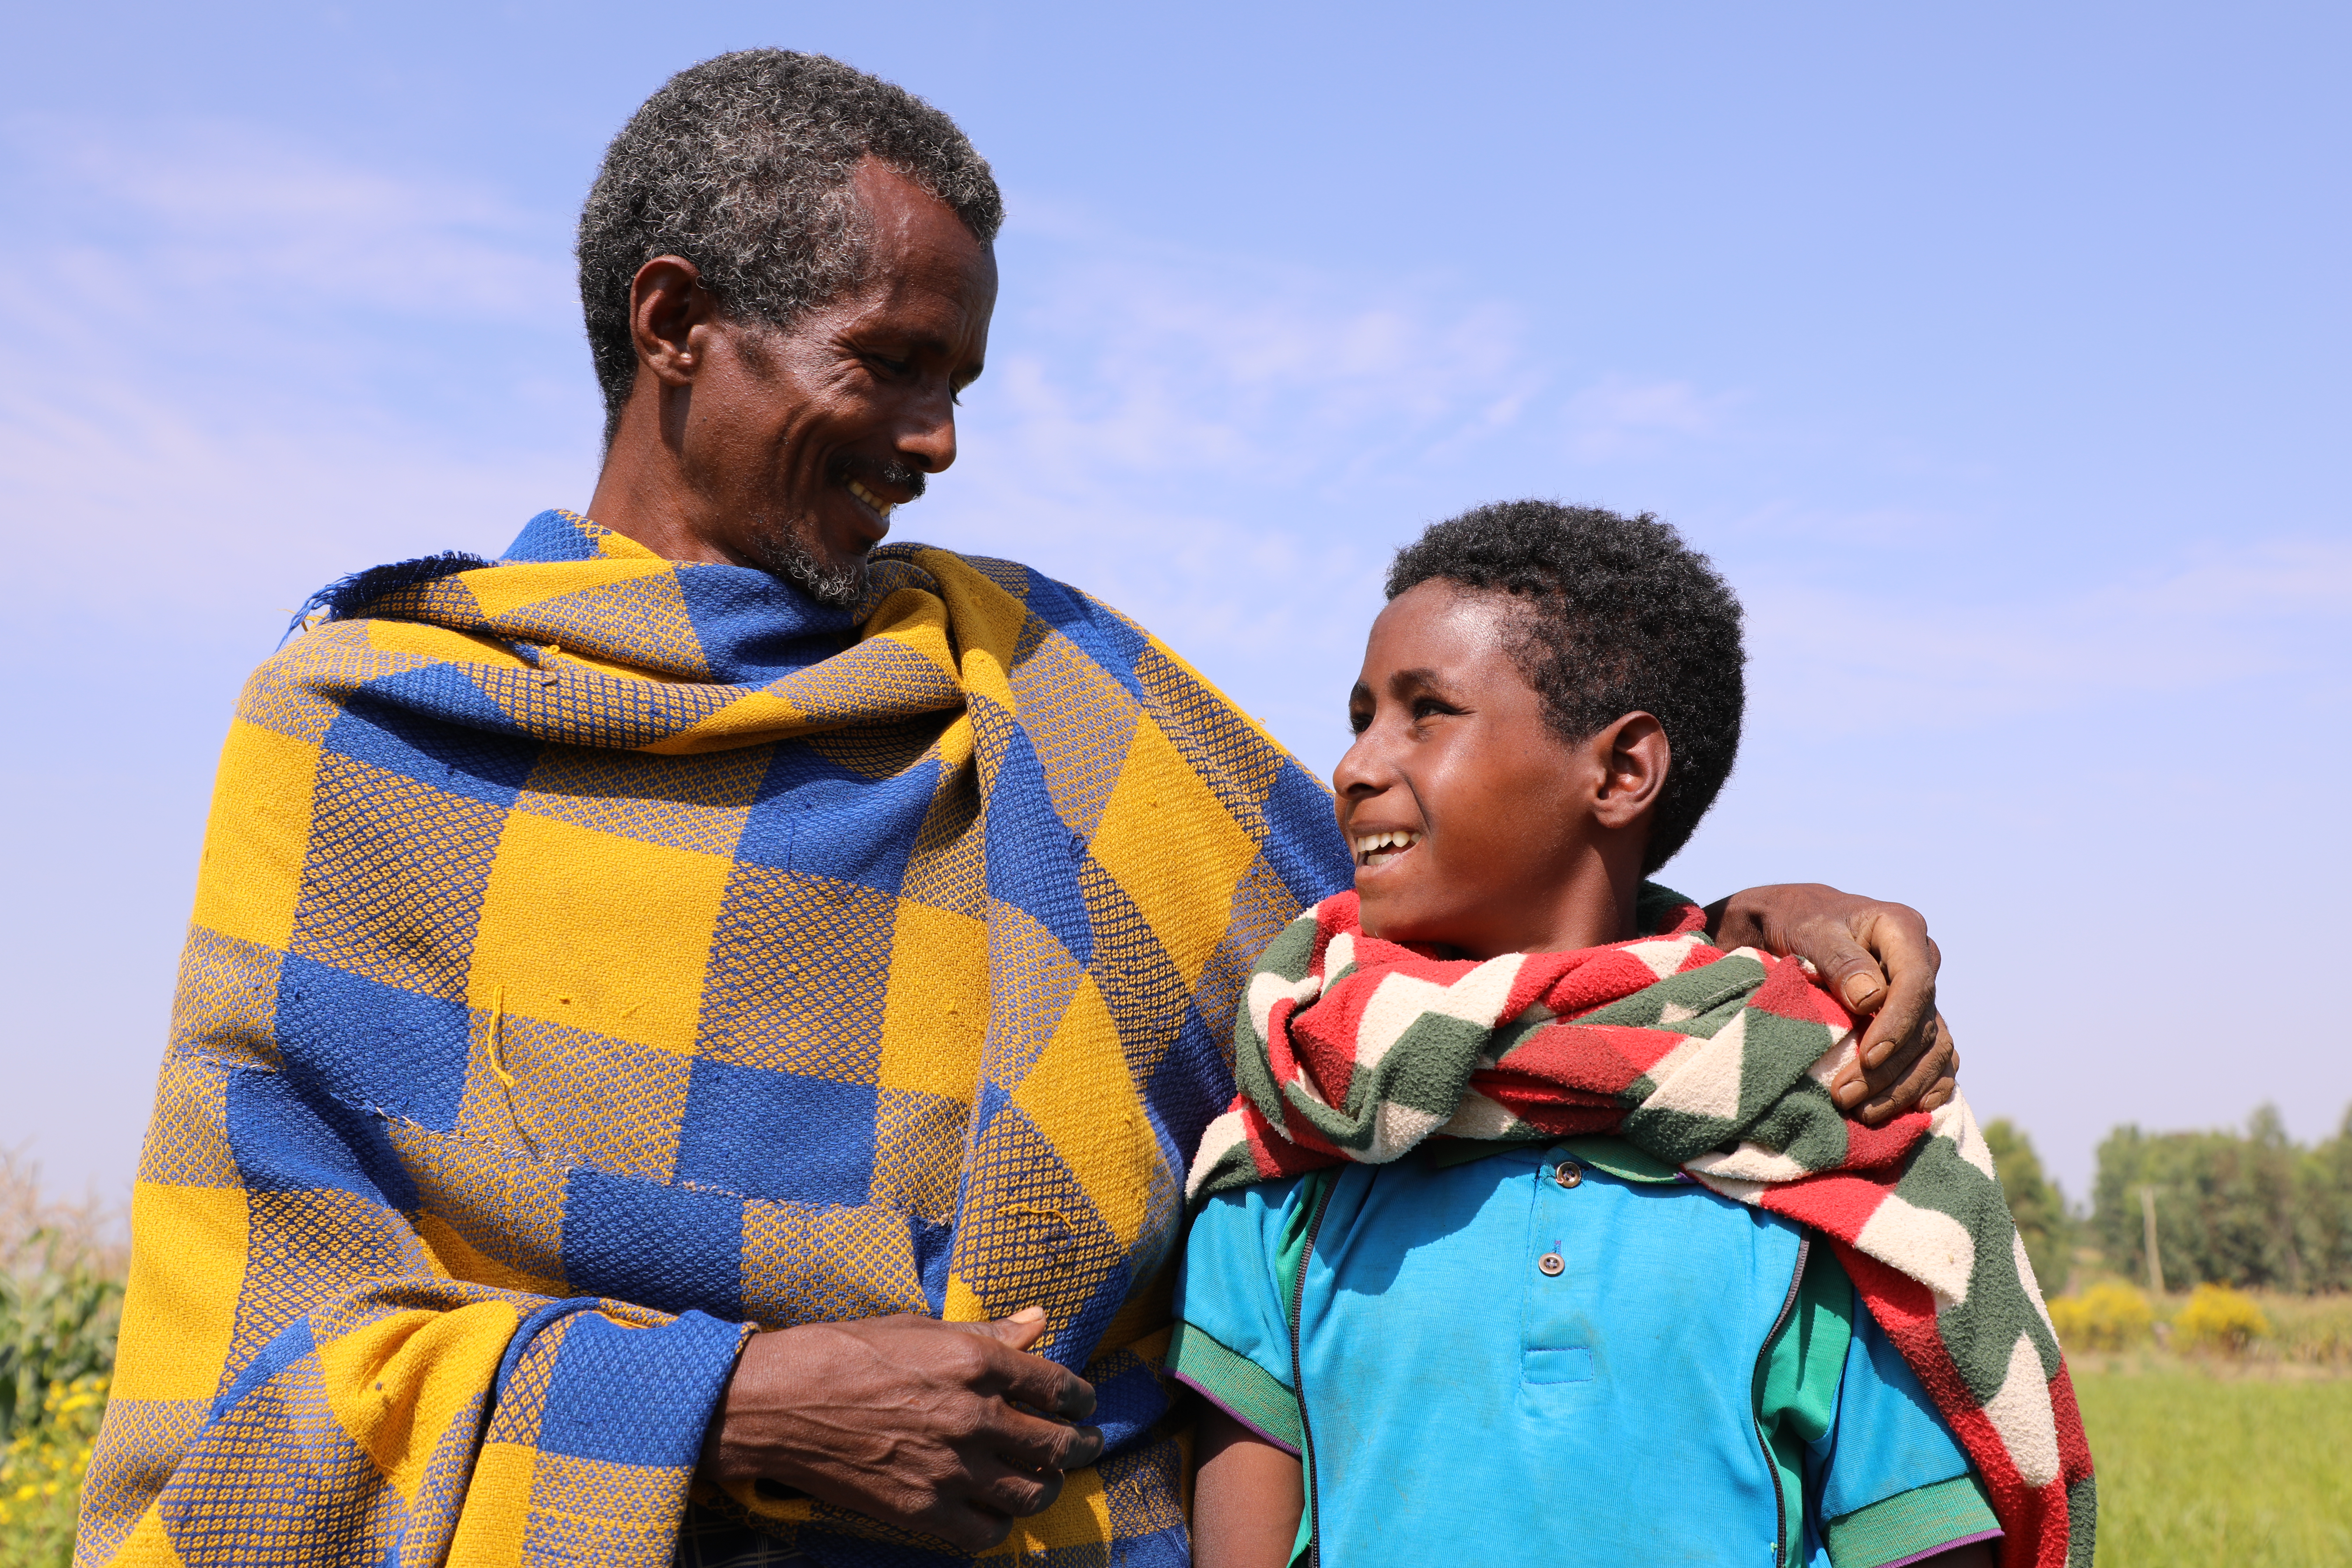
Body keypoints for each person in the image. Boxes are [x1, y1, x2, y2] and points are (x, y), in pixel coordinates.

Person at [81, 51, 1963, 1568]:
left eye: (959, 382)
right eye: (889, 365)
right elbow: (254, 1387)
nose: (940, 443)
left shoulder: (1045, 683)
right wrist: (740, 1414)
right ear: (676, 324)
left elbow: (1426, 930)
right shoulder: (364, 738)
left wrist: (1725, 931)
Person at [1174, 503, 2093, 1568]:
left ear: (1620, 774)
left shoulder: (1826, 1144)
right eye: (1362, 715)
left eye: (1427, 713)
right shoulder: (1295, 1131)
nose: (1354, 765)